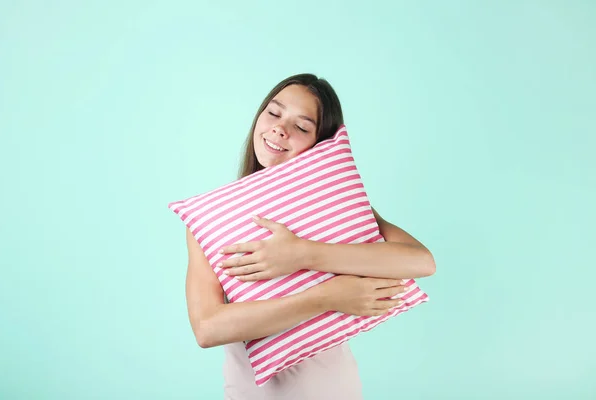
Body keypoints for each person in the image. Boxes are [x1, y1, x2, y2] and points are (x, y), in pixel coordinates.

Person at [184, 73, 436, 399]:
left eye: (302, 127)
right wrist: (327, 296)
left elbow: (421, 261)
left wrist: (301, 253)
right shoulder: (212, 219)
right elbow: (207, 328)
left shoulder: (338, 205)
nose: (280, 128)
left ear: (322, 147)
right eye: (274, 113)